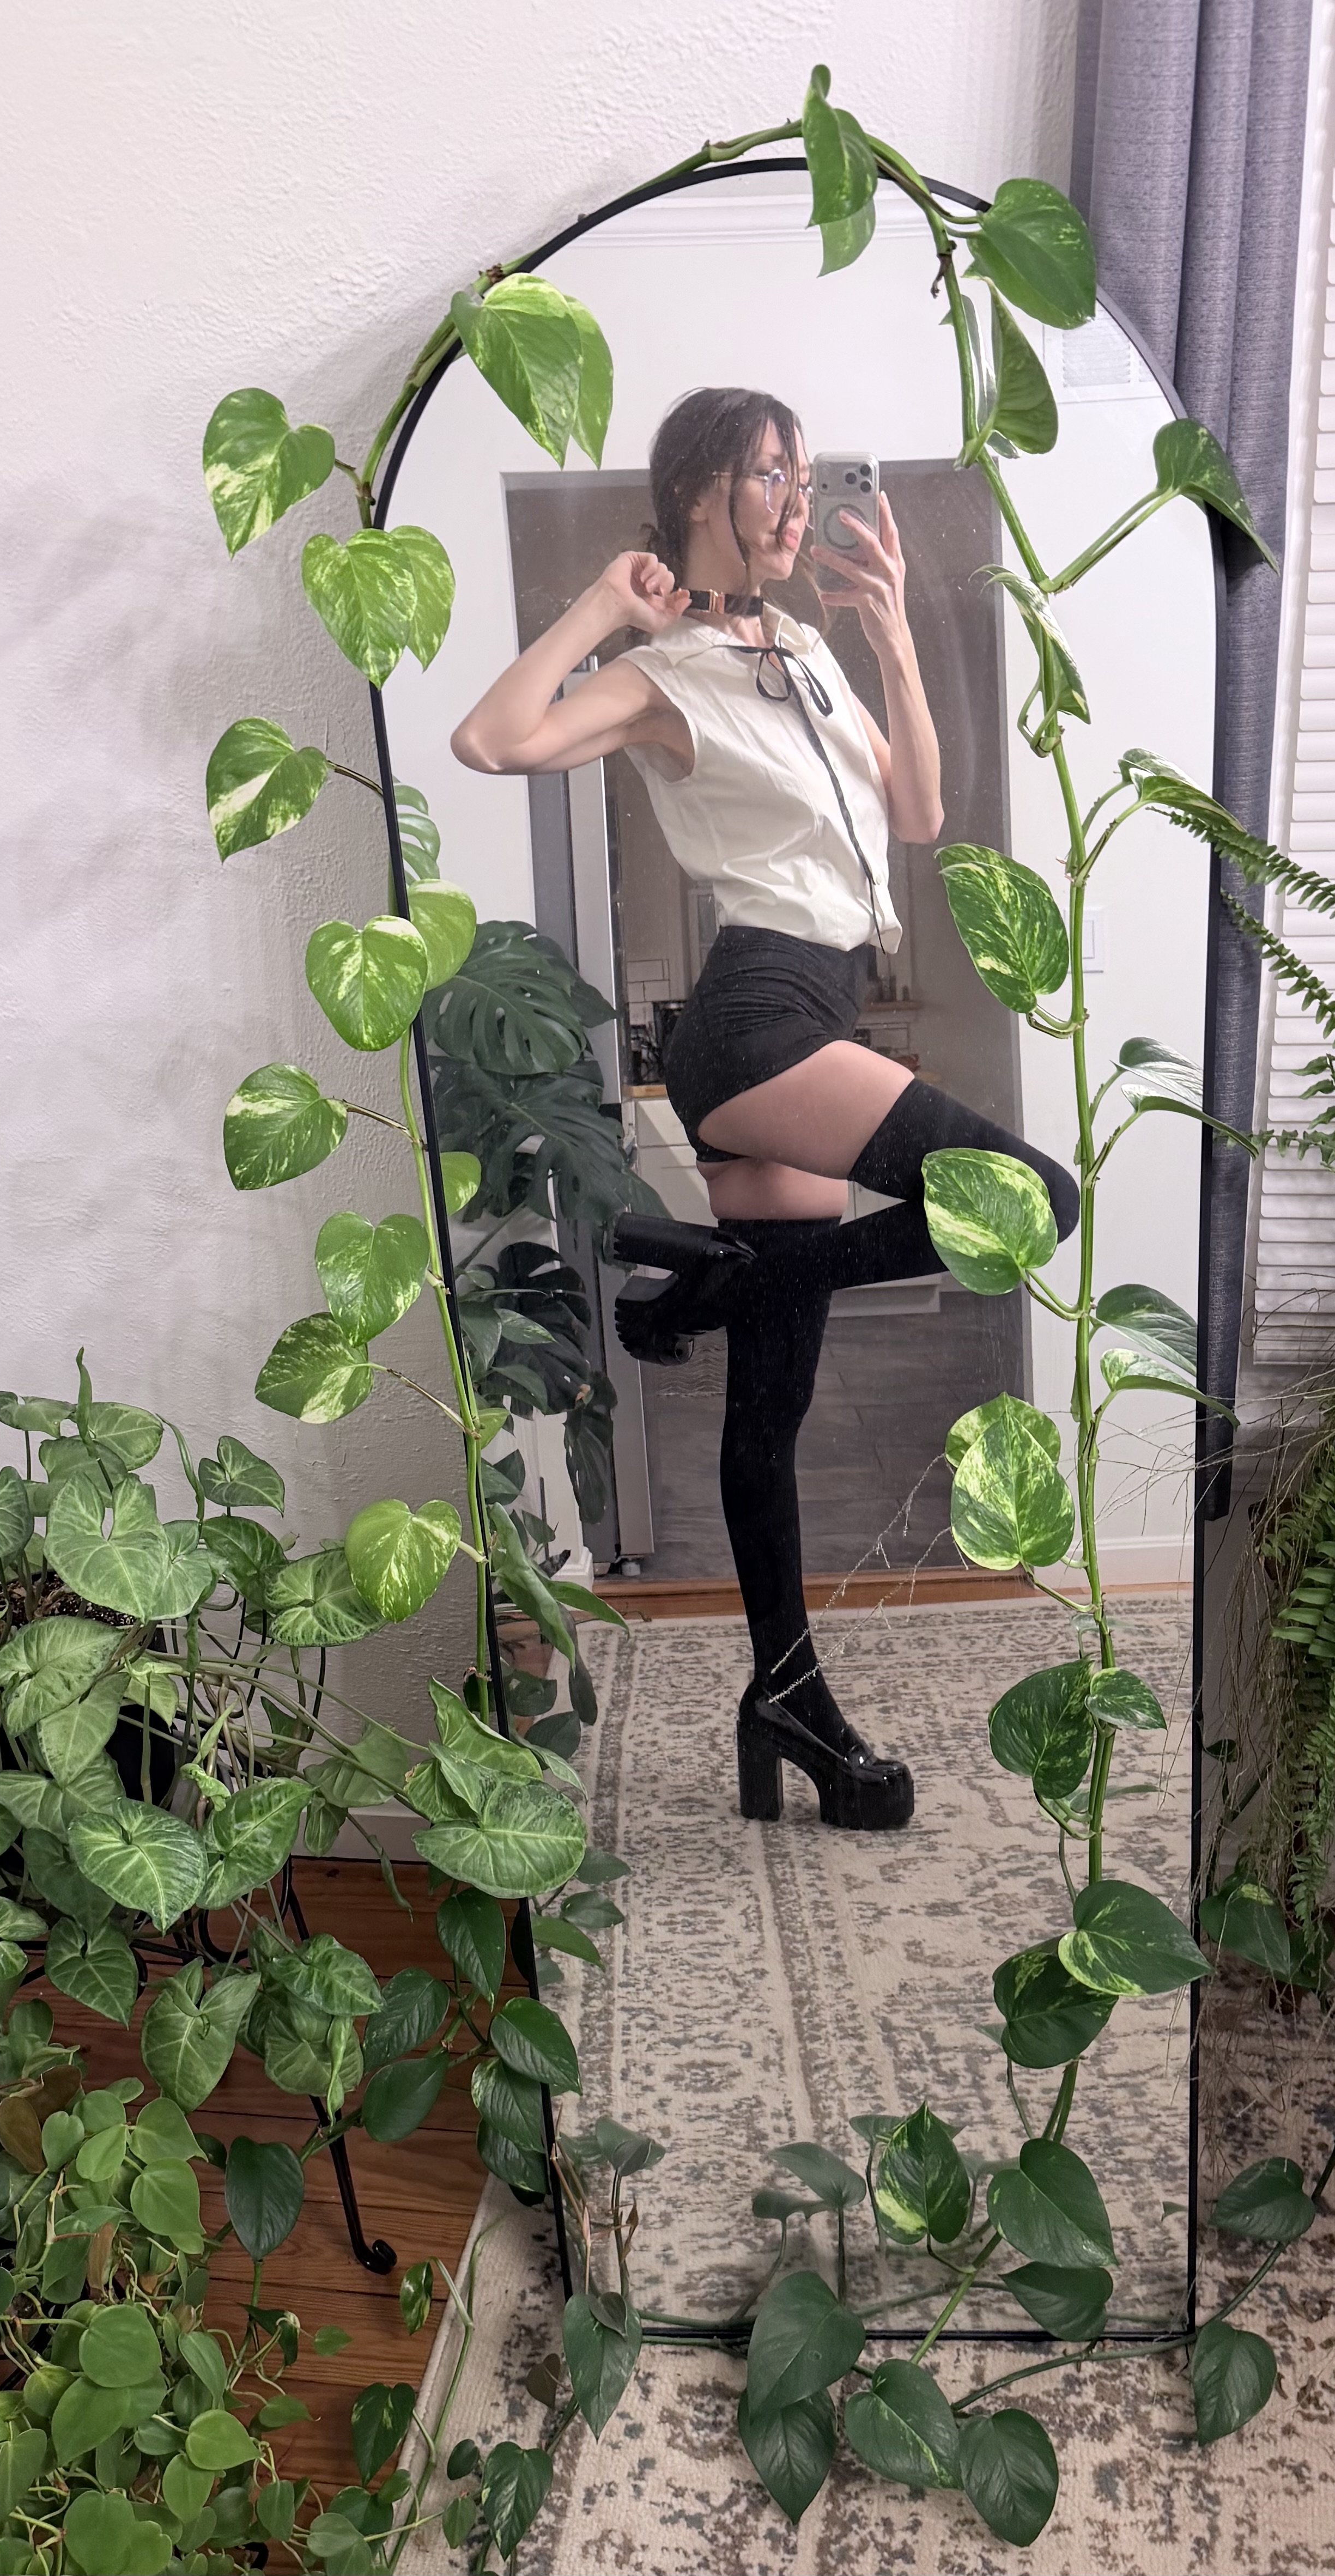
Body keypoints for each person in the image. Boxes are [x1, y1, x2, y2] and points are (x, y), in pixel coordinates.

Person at [451, 387, 1078, 1832]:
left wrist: (893, 635)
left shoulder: (800, 650)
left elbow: (917, 816)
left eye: (801, 477)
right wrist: (603, 606)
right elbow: (493, 740)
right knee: (1034, 1196)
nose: (798, 504)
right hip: (755, 1018)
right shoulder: (664, 674)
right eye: (769, 477)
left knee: (771, 1406)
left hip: (820, 1005)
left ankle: (785, 1697)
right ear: (698, 494)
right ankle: (722, 1282)